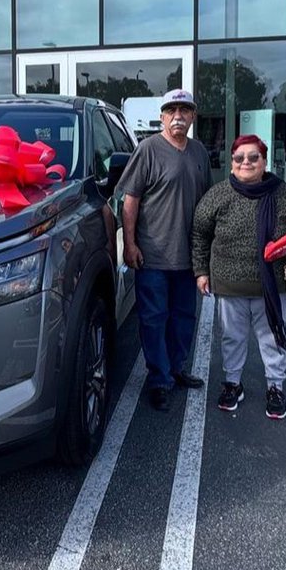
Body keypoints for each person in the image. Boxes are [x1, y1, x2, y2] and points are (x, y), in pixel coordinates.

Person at [192, 134, 286, 420]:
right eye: (239, 158)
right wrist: (201, 271)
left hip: (272, 286)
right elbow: (200, 233)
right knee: (232, 338)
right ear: (231, 162)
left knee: (272, 339)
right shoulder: (218, 195)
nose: (245, 162)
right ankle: (233, 384)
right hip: (230, 284)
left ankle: (275, 388)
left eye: (253, 157)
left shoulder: (284, 194)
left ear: (264, 161)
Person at [119, 89, 213, 411]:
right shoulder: (148, 150)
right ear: (162, 117)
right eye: (171, 110)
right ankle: (159, 379)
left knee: (184, 317)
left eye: (184, 110)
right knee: (154, 319)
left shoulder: (199, 152)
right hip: (154, 257)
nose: (178, 116)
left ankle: (176, 368)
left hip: (188, 258)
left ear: (192, 117)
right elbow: (129, 201)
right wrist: (130, 244)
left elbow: (208, 204)